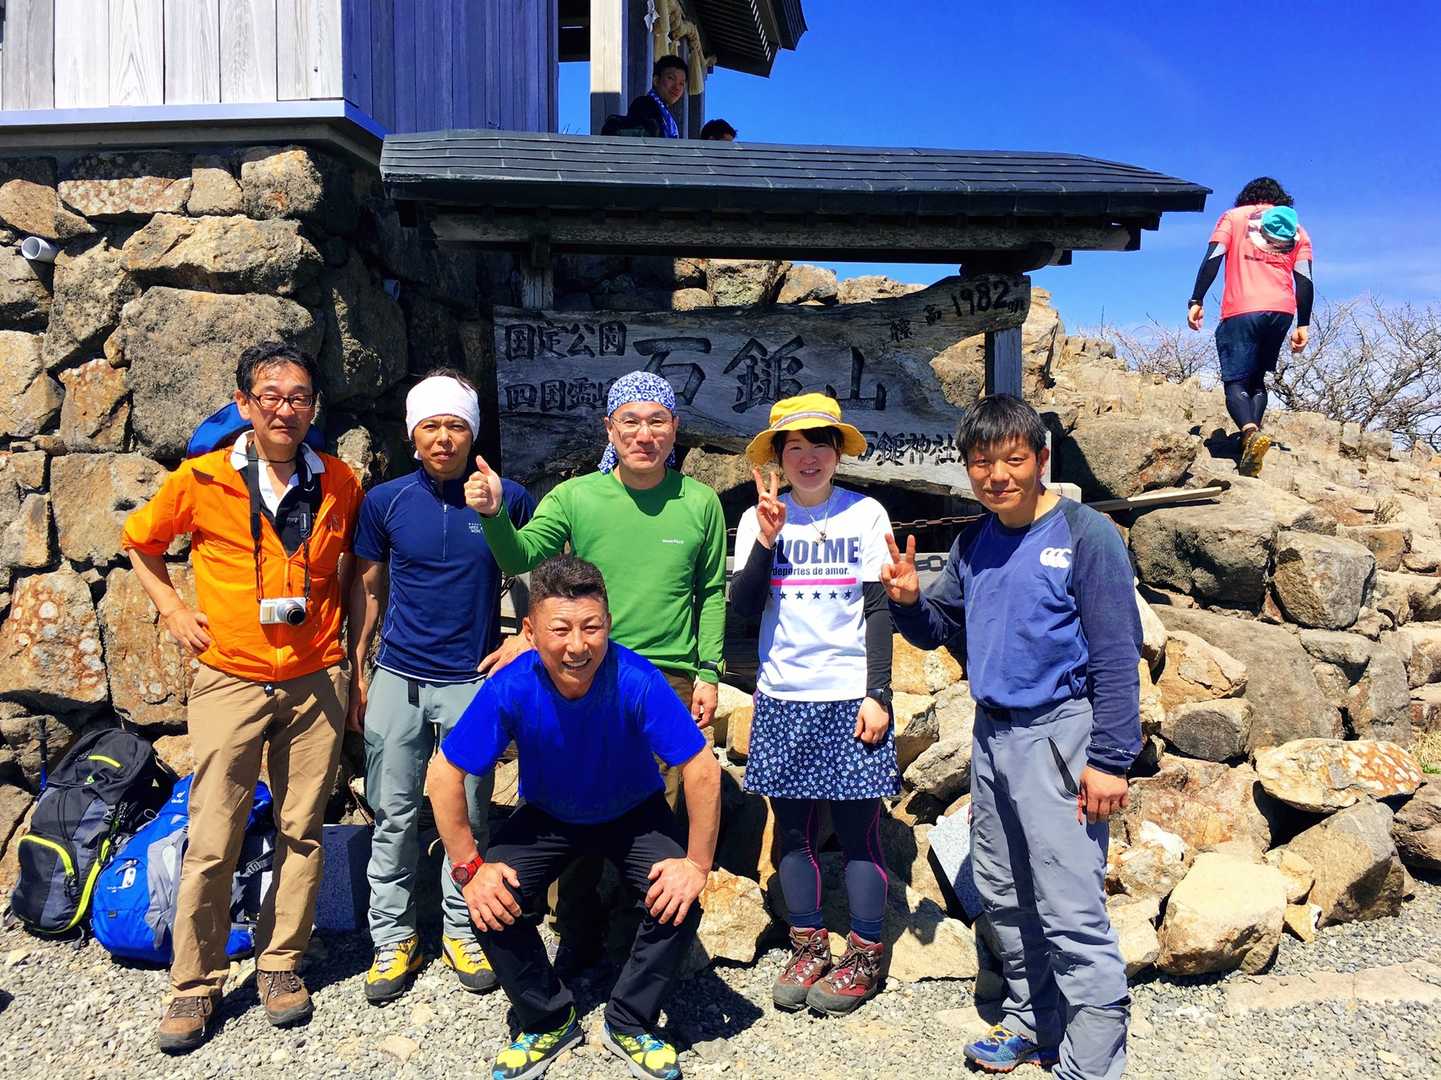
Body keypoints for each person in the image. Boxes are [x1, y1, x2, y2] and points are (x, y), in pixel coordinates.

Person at [882, 394, 1140, 1079]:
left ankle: (1092, 1063)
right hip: (992, 735)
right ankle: (1032, 1020)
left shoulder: (1086, 536)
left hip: (1059, 737)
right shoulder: (975, 541)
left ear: (1040, 460)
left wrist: (1111, 760)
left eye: (1013, 460)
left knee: (1069, 902)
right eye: (981, 463)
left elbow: (1117, 655)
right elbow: (940, 629)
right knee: (1000, 888)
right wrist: (908, 603)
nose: (997, 476)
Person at [122, 342, 364, 1053]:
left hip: (314, 673)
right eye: (271, 396)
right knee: (213, 833)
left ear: (313, 408)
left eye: (299, 397)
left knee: (302, 827)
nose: (285, 409)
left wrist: (351, 656)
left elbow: (353, 570)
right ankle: (194, 983)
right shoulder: (201, 479)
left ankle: (281, 961)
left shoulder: (339, 481)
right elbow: (140, 542)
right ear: (244, 405)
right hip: (230, 672)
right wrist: (173, 610)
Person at [465, 369, 726, 968]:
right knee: (573, 805)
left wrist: (709, 671)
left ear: (675, 429)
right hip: (580, 672)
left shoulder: (700, 502)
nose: (643, 434)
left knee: (654, 813)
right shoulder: (576, 497)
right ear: (610, 428)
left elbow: (712, 591)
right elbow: (521, 556)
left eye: (657, 421)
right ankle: (576, 937)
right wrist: (495, 513)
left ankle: (641, 943)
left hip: (666, 677)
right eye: (629, 421)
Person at [428, 554, 720, 1080]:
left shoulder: (636, 679)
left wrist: (697, 865)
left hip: (632, 811)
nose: (578, 646)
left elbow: (701, 767)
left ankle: (629, 1020)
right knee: (488, 900)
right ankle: (548, 1019)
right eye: (560, 630)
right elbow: (444, 774)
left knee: (679, 899)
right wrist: (468, 868)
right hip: (549, 814)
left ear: (608, 624)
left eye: (592, 627)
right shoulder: (512, 685)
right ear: (530, 632)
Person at [347, 370, 536, 1004]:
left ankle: (463, 928)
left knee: (472, 814)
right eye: (431, 426)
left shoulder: (507, 497)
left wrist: (525, 638)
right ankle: (393, 937)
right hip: (398, 675)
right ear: (413, 434)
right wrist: (357, 667)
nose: (444, 438)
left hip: (471, 680)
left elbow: (531, 573)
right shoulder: (386, 501)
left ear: (473, 433)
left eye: (456, 425)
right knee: (392, 812)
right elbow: (369, 588)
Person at [729, 394, 898, 1015]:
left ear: (837, 452)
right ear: (777, 458)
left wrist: (879, 693)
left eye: (819, 445)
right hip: (783, 694)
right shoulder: (758, 519)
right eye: (793, 447)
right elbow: (745, 608)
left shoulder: (865, 513)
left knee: (859, 835)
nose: (807, 458)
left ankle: (866, 955)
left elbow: (878, 609)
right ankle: (808, 945)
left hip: (849, 696)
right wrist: (767, 540)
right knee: (794, 834)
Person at [1187, 176, 1314, 477]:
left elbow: (1213, 257)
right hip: (1282, 311)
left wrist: (1196, 299)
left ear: (1247, 196)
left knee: (1235, 381)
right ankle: (1251, 447)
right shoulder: (1297, 230)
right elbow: (1305, 279)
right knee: (1257, 380)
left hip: (1242, 307)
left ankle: (1249, 431)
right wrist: (1303, 324)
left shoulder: (1234, 217)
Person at [624, 54, 687, 138]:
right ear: (656, 80)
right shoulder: (644, 105)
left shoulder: (667, 115)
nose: (677, 87)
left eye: (681, 83)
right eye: (671, 78)